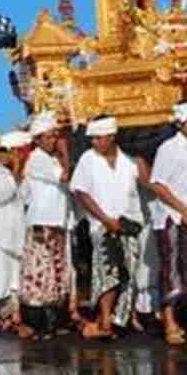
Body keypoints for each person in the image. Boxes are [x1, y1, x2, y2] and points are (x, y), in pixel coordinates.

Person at [70, 114, 143, 339]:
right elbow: (81, 192)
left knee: (128, 272)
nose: (94, 142)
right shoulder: (88, 159)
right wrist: (104, 219)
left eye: (98, 138)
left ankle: (118, 318)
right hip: (102, 225)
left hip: (129, 223)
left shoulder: (129, 161)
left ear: (111, 137)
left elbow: (146, 184)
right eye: (92, 138)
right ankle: (104, 320)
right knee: (108, 272)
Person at [148, 99, 187, 346]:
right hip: (171, 216)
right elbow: (157, 184)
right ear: (180, 123)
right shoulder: (168, 148)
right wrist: (181, 208)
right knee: (170, 268)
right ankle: (169, 322)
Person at [19, 112, 72, 340]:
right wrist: (65, 151)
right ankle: (39, 323)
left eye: (55, 136)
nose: (54, 140)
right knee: (41, 272)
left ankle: (52, 320)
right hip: (43, 222)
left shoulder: (49, 159)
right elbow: (64, 177)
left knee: (54, 271)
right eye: (49, 137)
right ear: (38, 139)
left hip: (54, 221)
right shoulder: (38, 159)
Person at [0, 130, 31, 332]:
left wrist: (19, 173)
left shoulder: (13, 172)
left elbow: (25, 196)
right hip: (0, 235)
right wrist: (17, 170)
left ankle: (13, 316)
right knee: (0, 278)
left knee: (14, 278)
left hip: (14, 233)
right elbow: (3, 194)